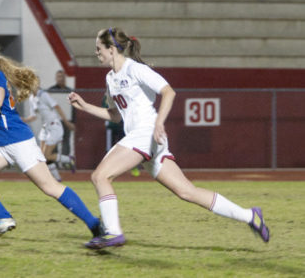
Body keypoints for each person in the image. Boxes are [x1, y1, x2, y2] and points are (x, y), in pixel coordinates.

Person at [68, 27, 270, 249]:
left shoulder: (135, 70)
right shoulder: (110, 78)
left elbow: (169, 92)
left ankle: (113, 233)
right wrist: (85, 106)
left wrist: (158, 122)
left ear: (112, 49)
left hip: (146, 134)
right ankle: (250, 216)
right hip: (146, 139)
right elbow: (116, 115)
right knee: (187, 191)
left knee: (100, 176)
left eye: (99, 48)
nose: (96, 53)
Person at [0, 37, 103, 241]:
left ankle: (96, 225)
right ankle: (3, 218)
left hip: (19, 142)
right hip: (0, 144)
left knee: (50, 187)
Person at [22, 83, 76, 181]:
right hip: (45, 127)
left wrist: (66, 122)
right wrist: (23, 119)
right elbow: (33, 116)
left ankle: (68, 160)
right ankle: (57, 178)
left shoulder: (43, 95)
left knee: (46, 155)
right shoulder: (31, 98)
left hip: (54, 125)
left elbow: (57, 107)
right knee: (42, 157)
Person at [48, 70, 74, 156]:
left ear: (65, 78)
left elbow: (73, 108)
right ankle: (54, 162)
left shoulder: (70, 91)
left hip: (67, 120)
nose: (61, 79)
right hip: (54, 120)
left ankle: (65, 161)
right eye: (59, 76)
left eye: (62, 77)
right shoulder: (51, 91)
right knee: (53, 141)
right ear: (56, 78)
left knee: (66, 141)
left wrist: (73, 122)